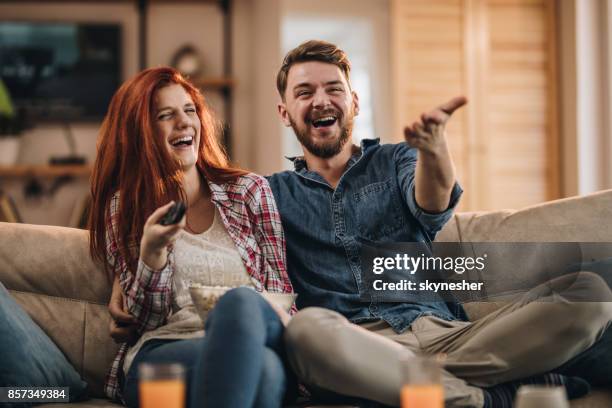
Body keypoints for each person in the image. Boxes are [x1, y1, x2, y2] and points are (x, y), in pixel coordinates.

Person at [110, 43, 612, 407]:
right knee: (306, 329)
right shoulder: (270, 193)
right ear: (286, 113)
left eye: (333, 89)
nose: (321, 100)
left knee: (590, 289)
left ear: (354, 102)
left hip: (444, 335)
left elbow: (434, 204)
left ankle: (437, 389)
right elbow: (247, 279)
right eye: (304, 92)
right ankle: (484, 400)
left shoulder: (395, 161)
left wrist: (435, 148)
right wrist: (134, 274)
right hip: (346, 344)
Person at [90, 66, 296, 408]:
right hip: (167, 351)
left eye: (189, 111)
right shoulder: (124, 207)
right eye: (165, 115)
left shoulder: (250, 192)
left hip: (257, 331)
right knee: (267, 372)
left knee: (241, 303)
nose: (184, 123)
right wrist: (152, 254)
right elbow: (145, 321)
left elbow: (280, 292)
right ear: (140, 133)